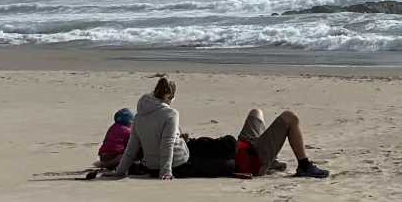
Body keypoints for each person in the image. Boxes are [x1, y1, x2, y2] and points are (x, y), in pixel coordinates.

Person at [178, 108, 329, 180]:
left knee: (256, 112)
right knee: (290, 117)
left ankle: (273, 160)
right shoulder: (186, 154)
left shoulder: (187, 146)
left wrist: (186, 141)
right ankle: (304, 165)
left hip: (246, 145)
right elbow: (226, 149)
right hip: (255, 159)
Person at [110, 76, 189, 180]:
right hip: (176, 165)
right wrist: (166, 172)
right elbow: (167, 143)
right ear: (169, 97)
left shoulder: (139, 115)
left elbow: (131, 147)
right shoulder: (171, 114)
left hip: (152, 168)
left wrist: (120, 171)